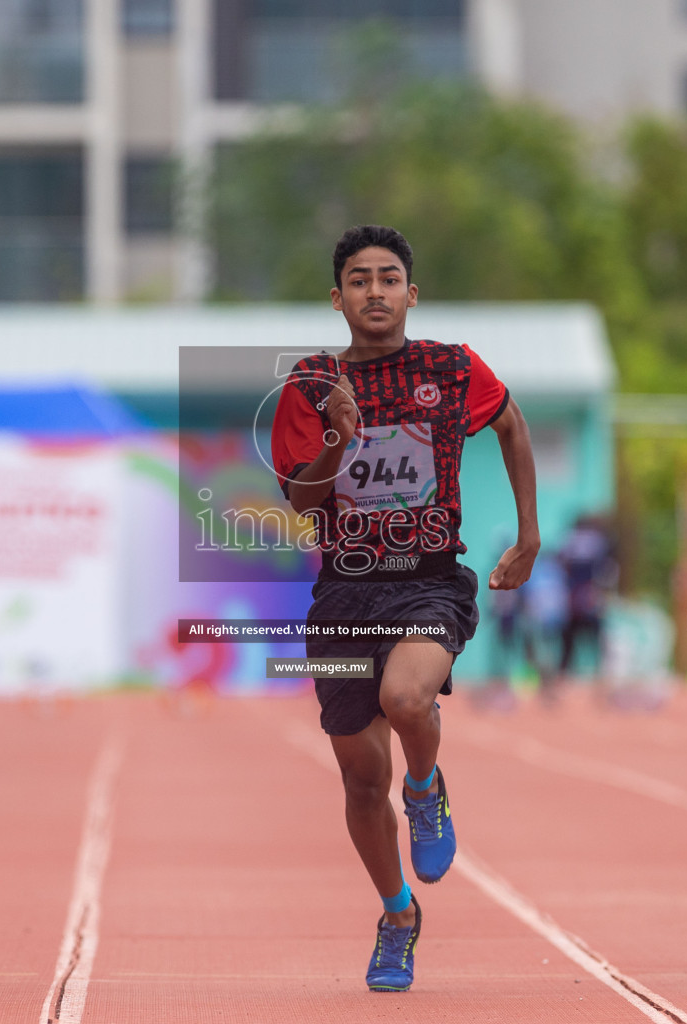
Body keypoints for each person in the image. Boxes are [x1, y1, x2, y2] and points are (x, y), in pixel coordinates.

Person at [270, 225, 538, 992]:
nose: (375, 292)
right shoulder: (312, 384)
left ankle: (425, 788)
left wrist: (529, 533)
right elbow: (299, 498)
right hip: (345, 591)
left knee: (406, 696)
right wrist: (334, 441)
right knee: (358, 780)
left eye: (390, 278)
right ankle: (397, 917)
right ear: (337, 298)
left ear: (410, 294)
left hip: (426, 578)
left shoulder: (451, 368)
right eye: (360, 280)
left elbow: (512, 425)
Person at [555, 514, 616, 683]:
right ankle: (599, 672)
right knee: (592, 635)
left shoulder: (571, 540)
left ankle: (566, 672)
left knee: (571, 636)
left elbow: (562, 562)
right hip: (587, 593)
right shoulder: (597, 541)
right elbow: (605, 568)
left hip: (578, 594)